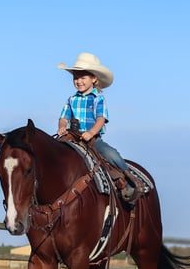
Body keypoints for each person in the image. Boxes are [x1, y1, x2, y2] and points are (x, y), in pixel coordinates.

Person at [56, 52, 140, 202]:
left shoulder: (97, 99)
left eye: (83, 77)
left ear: (94, 79)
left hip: (92, 138)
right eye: (76, 77)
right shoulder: (72, 99)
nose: (78, 81)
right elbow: (63, 117)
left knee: (111, 154)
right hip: (72, 137)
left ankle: (127, 180)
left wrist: (91, 132)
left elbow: (101, 119)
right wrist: (62, 127)